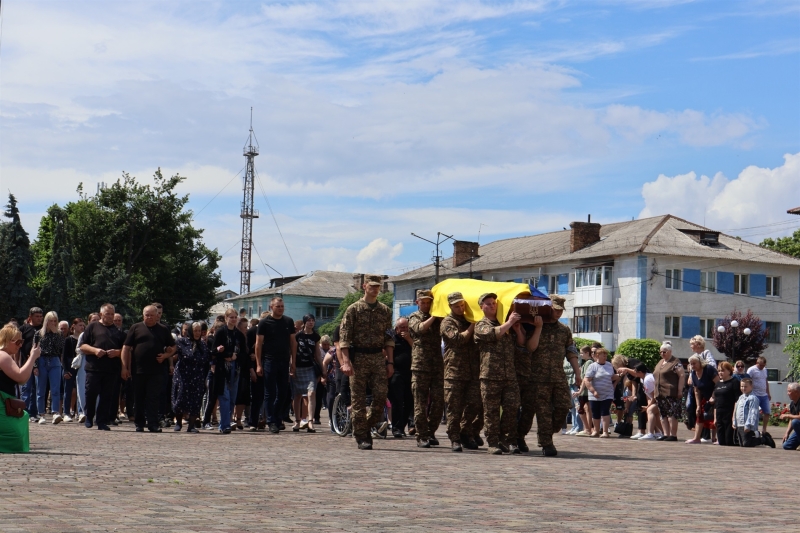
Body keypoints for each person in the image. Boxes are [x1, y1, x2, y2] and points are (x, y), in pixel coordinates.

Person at [339, 274, 394, 451]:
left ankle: (363, 425)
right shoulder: (353, 309)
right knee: (358, 400)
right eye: (372, 286)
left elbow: (389, 338)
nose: (375, 289)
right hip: (359, 358)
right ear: (364, 286)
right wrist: (346, 362)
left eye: (378, 286)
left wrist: (390, 362)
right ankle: (362, 437)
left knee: (380, 397)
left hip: (378, 357)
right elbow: (344, 339)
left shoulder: (385, 310)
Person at [528, 295, 582, 455]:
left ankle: (546, 434)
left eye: (560, 310)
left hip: (558, 375)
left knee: (564, 406)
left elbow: (571, 351)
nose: (558, 313)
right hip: (538, 377)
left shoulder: (564, 329)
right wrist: (538, 328)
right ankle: (547, 443)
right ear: (547, 308)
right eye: (555, 309)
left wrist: (578, 373)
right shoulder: (535, 325)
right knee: (543, 410)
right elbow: (530, 348)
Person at [474, 292, 524, 455]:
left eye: (494, 302)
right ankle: (493, 442)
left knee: (512, 406)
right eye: (488, 303)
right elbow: (491, 334)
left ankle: (503, 438)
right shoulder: (481, 324)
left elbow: (521, 344)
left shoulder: (506, 324)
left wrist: (516, 328)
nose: (492, 305)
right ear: (481, 307)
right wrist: (509, 323)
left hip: (509, 374)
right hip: (490, 375)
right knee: (491, 410)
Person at [121, 305, 176, 432]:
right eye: (147, 315)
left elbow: (173, 347)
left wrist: (166, 355)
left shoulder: (163, 329)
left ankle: (153, 424)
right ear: (143, 315)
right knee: (139, 397)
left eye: (152, 315)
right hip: (138, 370)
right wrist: (124, 367)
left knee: (153, 397)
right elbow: (126, 348)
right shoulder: (135, 328)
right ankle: (139, 423)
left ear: (157, 315)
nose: (149, 317)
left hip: (156, 370)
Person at [440, 292, 482, 451]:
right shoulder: (447, 322)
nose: (460, 308)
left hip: (472, 370)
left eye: (462, 305)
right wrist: (472, 325)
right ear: (450, 306)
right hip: (454, 371)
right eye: (457, 306)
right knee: (454, 407)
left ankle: (466, 432)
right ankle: (454, 438)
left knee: (474, 404)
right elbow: (458, 339)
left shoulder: (469, 319)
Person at [78, 305, 125, 430]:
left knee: (107, 396)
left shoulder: (118, 331)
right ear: (101, 314)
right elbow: (82, 346)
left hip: (111, 369)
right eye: (107, 314)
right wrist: (95, 350)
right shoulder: (92, 327)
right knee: (91, 393)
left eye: (112, 314)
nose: (110, 316)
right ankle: (89, 417)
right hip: (94, 367)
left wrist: (117, 352)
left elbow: (125, 350)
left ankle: (102, 421)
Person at [408, 289, 444, 448]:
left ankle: (431, 431)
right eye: (423, 302)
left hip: (437, 365)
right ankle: (421, 435)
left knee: (439, 401)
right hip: (420, 365)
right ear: (417, 303)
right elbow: (420, 329)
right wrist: (434, 316)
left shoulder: (438, 318)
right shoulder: (414, 317)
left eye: (429, 302)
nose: (426, 305)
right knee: (420, 403)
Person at [255, 297, 296, 434]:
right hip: (269, 361)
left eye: (282, 306)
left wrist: (293, 362)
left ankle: (278, 418)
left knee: (283, 392)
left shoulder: (288, 322)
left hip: (284, 361)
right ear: (271, 307)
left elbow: (293, 343)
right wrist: (258, 364)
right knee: (270, 392)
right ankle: (271, 421)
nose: (281, 308)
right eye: (278, 306)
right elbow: (258, 344)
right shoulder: (264, 323)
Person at [0, 324, 41, 453]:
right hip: (2, 404)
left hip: (5, 402)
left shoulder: (7, 355)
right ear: (7, 340)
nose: (20, 345)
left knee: (22, 418)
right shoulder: (3, 355)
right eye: (18, 341)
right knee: (15, 437)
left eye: (22, 341)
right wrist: (33, 357)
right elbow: (21, 377)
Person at [207, 309, 246, 434]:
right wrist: (221, 351)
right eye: (231, 317)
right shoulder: (220, 332)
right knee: (224, 397)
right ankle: (224, 425)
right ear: (226, 318)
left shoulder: (239, 335)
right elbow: (213, 351)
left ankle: (227, 421)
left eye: (235, 317)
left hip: (235, 369)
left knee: (232, 398)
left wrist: (236, 356)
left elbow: (244, 352)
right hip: (222, 368)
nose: (233, 319)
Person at [172, 322, 209, 433]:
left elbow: (206, 358)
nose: (197, 333)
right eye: (195, 331)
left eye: (199, 331)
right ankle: (178, 422)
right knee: (180, 398)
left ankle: (191, 426)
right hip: (183, 374)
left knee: (196, 400)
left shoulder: (202, 344)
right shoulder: (182, 341)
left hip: (197, 375)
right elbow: (187, 355)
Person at [35, 311, 65, 425]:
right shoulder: (38, 333)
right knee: (41, 390)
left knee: (55, 389)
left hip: (54, 360)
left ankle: (55, 412)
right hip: (42, 360)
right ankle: (41, 414)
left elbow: (61, 348)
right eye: (50, 320)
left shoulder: (59, 333)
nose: (52, 323)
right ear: (46, 321)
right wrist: (35, 366)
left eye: (55, 321)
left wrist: (55, 334)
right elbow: (35, 350)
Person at [292, 314, 322, 433]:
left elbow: (317, 353)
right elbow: (293, 352)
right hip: (298, 367)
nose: (311, 322)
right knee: (297, 395)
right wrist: (292, 366)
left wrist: (322, 368)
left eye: (313, 320)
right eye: (309, 321)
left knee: (311, 393)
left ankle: (310, 421)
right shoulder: (297, 336)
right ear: (304, 322)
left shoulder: (315, 336)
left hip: (310, 368)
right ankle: (297, 421)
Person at [652, 341, 684, 442]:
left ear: (670, 351)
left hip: (671, 392)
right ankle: (666, 434)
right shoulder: (660, 362)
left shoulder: (676, 362)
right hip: (659, 392)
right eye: (660, 352)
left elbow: (682, 376)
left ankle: (673, 435)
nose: (662, 354)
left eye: (664, 352)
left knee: (672, 413)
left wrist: (679, 390)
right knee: (663, 414)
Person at [583, 348, 619, 438]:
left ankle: (605, 431)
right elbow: (587, 380)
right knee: (595, 412)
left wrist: (619, 376)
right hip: (594, 394)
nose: (605, 357)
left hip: (607, 393)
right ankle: (596, 430)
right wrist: (593, 391)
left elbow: (612, 377)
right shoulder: (593, 366)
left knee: (605, 411)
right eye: (603, 355)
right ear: (597, 356)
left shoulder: (609, 365)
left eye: (606, 355)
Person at [388, 317, 413, 439]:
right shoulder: (392, 338)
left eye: (406, 327)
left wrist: (408, 339)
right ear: (396, 328)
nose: (404, 329)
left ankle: (402, 426)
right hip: (396, 372)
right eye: (402, 327)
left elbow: (417, 350)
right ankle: (396, 428)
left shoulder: (411, 336)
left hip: (410, 372)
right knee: (397, 401)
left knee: (409, 401)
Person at [685, 354, 719, 444]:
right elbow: (696, 390)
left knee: (715, 417)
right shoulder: (693, 373)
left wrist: (713, 396)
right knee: (699, 415)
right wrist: (698, 405)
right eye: (691, 364)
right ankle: (696, 438)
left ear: (700, 362)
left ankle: (715, 438)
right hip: (705, 397)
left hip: (717, 395)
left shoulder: (708, 369)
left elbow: (718, 384)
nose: (692, 366)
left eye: (694, 363)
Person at [733, 378, 776, 448]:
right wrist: (734, 421)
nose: (743, 388)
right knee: (741, 443)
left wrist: (748, 425)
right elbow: (736, 410)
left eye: (745, 386)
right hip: (740, 424)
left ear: (751, 386)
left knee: (746, 443)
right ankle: (757, 437)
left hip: (748, 425)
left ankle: (764, 439)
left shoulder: (753, 398)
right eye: (741, 386)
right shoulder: (740, 397)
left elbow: (753, 413)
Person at [19, 307, 43, 421]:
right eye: (36, 316)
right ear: (30, 317)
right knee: (26, 388)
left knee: (37, 389)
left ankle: (34, 413)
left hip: (40, 363)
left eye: (40, 316)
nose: (39, 319)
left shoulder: (44, 330)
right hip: (26, 362)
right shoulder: (24, 329)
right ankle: (24, 412)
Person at [60, 318, 85, 422]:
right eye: (80, 325)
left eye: (83, 325)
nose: (82, 327)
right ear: (73, 326)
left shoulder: (85, 339)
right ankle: (66, 412)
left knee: (80, 389)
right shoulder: (68, 339)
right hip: (70, 366)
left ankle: (80, 412)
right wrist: (65, 370)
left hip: (81, 365)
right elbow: (64, 356)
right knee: (68, 390)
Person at [712, 361, 741, 446]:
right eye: (719, 370)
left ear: (729, 371)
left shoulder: (734, 382)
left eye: (723, 370)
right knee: (721, 442)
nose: (720, 373)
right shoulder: (718, 384)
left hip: (729, 413)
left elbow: (737, 400)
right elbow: (716, 401)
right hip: (719, 413)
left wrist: (734, 416)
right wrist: (715, 418)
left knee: (729, 442)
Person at [746, 356, 771, 435]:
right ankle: (754, 429)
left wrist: (768, 392)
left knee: (767, 412)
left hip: (764, 394)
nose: (762, 367)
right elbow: (747, 381)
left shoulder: (764, 370)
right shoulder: (751, 370)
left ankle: (764, 429)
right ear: (757, 363)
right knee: (755, 412)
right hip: (755, 394)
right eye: (760, 365)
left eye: (763, 365)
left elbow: (765, 381)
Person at [573, 345, 595, 437]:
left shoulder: (588, 363)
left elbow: (586, 378)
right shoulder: (588, 362)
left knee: (581, 409)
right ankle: (588, 428)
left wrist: (580, 390)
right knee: (587, 409)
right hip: (585, 390)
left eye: (582, 353)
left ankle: (587, 428)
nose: (581, 355)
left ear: (587, 353)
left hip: (585, 391)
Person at [780, 382, 800, 450]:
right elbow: (791, 419)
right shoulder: (792, 404)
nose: (787, 393)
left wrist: (787, 415)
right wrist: (787, 433)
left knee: (795, 422)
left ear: (796, 392)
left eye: (789, 391)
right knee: (786, 446)